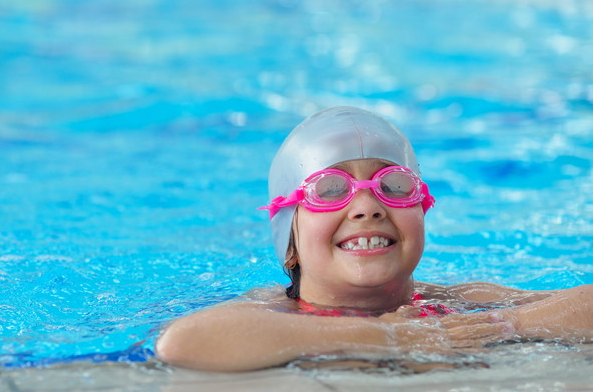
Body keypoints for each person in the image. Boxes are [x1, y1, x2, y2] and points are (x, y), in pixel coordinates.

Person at [155, 106, 593, 372]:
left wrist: (504, 325)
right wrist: (391, 340)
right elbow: (183, 342)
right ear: (289, 240)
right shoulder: (271, 312)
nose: (368, 207)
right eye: (330, 190)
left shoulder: (457, 304)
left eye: (394, 185)